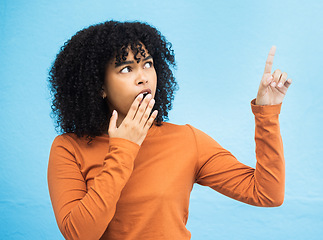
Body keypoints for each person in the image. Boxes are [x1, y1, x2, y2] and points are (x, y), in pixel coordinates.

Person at [47, 20, 292, 240]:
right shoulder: (68, 148)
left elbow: (267, 194)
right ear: (99, 86)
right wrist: (124, 148)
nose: (143, 77)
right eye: (126, 69)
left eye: (147, 64)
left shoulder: (186, 140)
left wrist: (267, 114)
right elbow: (79, 234)